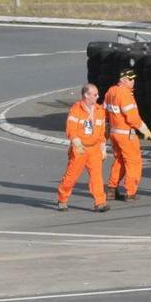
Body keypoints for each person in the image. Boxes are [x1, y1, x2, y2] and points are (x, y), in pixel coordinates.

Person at [57, 83, 109, 212]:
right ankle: (62, 199)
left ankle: (100, 202)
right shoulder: (76, 109)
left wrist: (103, 147)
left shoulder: (99, 110)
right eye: (95, 94)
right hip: (80, 148)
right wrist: (76, 143)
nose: (97, 97)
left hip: (94, 148)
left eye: (97, 94)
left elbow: (102, 131)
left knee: (97, 177)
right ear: (86, 95)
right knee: (71, 176)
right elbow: (71, 129)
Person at [104, 69, 151, 201]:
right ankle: (130, 191)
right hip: (127, 134)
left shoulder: (111, 91)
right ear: (123, 79)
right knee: (134, 162)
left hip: (114, 133)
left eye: (133, 79)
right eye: (130, 79)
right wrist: (144, 128)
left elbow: (105, 112)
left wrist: (107, 131)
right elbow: (132, 117)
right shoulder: (125, 94)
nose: (133, 81)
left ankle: (111, 189)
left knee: (119, 161)